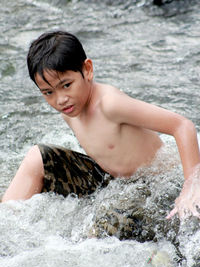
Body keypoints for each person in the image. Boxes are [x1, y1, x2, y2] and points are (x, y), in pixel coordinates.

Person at [2, 31, 200, 220]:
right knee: (37, 157)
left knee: (104, 223)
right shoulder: (70, 112)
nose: (60, 100)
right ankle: (7, 223)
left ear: (87, 70)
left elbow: (183, 126)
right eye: (48, 93)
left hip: (155, 186)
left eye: (66, 85)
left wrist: (191, 188)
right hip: (112, 181)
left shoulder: (110, 105)